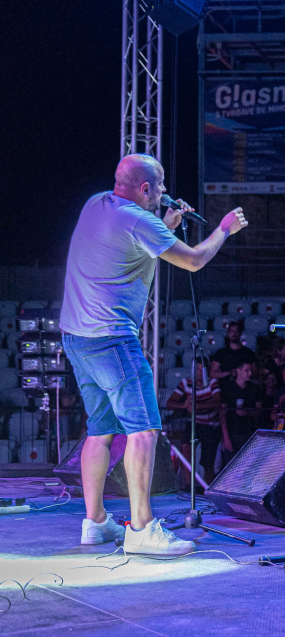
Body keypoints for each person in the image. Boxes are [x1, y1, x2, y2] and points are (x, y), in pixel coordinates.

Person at [60, 154, 247, 555]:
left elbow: (129, 248)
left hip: (77, 337)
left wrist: (165, 225)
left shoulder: (96, 204)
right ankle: (142, 530)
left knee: (100, 430)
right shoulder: (140, 221)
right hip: (113, 340)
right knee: (143, 431)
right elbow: (193, 261)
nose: (164, 191)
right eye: (160, 185)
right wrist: (223, 229)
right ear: (145, 188)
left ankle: (95, 522)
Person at [167, 359, 223, 481]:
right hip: (194, 423)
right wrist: (183, 405)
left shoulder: (212, 382)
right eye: (196, 369)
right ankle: (189, 484)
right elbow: (169, 403)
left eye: (201, 369)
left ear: (206, 370)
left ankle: (206, 488)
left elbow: (218, 402)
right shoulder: (186, 383)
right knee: (185, 447)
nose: (198, 372)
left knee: (208, 462)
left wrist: (198, 406)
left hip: (211, 425)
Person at [219, 360, 265, 466]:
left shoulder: (254, 388)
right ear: (238, 371)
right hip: (232, 433)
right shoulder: (228, 389)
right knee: (231, 466)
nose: (250, 373)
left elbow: (259, 410)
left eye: (251, 370)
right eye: (246, 370)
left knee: (249, 466)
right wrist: (226, 438)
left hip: (249, 433)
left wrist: (247, 412)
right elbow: (222, 414)